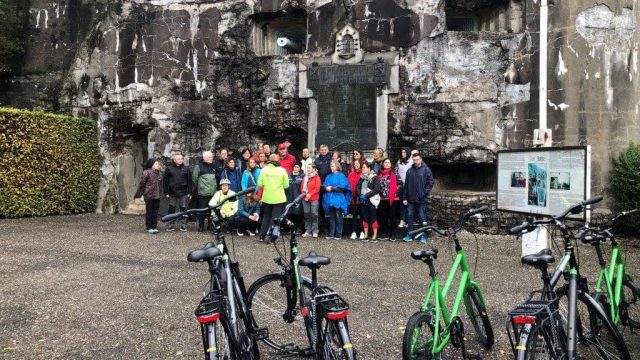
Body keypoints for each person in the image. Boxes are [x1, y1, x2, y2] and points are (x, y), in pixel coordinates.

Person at [402, 152, 434, 244]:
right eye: (414, 160)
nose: (416, 161)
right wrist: (404, 198)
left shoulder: (426, 170)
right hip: (410, 199)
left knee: (422, 217)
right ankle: (410, 235)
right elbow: (406, 186)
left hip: (421, 199)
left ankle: (423, 236)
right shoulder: (409, 171)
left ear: (421, 159)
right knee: (410, 217)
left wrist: (424, 192)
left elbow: (431, 182)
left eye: (417, 159)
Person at [257, 153, 289, 243]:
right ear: (277, 160)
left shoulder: (264, 170)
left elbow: (260, 184)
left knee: (266, 216)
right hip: (279, 198)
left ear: (269, 160)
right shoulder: (282, 170)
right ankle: (271, 236)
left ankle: (262, 236)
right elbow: (286, 185)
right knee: (275, 218)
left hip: (267, 197)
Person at [322, 160, 351, 240]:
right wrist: (325, 188)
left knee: (338, 217)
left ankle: (338, 234)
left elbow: (342, 188)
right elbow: (324, 186)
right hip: (330, 200)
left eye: (332, 166)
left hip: (338, 199)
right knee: (331, 217)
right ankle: (331, 233)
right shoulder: (328, 176)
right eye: (331, 166)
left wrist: (331, 188)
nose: (331, 167)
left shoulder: (341, 176)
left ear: (337, 166)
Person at [163, 154, 192, 232]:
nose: (180, 160)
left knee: (183, 209)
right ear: (174, 160)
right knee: (171, 209)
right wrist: (166, 192)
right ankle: (171, 224)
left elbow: (190, 181)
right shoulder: (169, 169)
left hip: (184, 192)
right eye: (178, 159)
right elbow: (165, 181)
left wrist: (190, 192)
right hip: (172, 192)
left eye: (181, 158)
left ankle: (183, 224)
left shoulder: (186, 169)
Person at [192, 151, 218, 232]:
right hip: (203, 193)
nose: (212, 158)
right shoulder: (198, 166)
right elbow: (194, 179)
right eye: (210, 157)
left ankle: (211, 226)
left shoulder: (214, 166)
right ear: (205, 158)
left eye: (212, 157)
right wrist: (201, 187)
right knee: (201, 211)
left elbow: (216, 178)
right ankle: (201, 226)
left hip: (213, 193)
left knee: (212, 211)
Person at [137, 158, 163, 234]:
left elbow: (160, 184)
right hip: (149, 195)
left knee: (155, 212)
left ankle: (154, 226)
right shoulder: (146, 172)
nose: (158, 165)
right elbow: (142, 184)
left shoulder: (159, 173)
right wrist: (144, 192)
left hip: (157, 195)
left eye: (158, 164)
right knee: (149, 211)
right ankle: (149, 227)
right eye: (156, 164)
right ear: (152, 165)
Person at [357, 162, 381, 242]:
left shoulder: (374, 177)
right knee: (365, 218)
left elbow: (377, 189)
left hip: (371, 200)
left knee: (373, 218)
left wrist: (366, 195)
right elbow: (357, 188)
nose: (362, 169)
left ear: (369, 168)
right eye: (362, 167)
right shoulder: (361, 178)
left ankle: (374, 235)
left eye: (364, 167)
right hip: (364, 201)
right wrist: (360, 195)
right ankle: (366, 234)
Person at [377, 158, 398, 241]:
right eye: (385, 162)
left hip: (392, 198)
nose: (387, 164)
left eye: (388, 162)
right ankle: (384, 233)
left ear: (390, 164)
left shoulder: (394, 173)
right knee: (383, 216)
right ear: (383, 164)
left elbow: (401, 184)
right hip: (382, 199)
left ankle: (393, 233)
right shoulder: (380, 174)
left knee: (392, 216)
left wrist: (395, 190)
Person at [301, 163, 321, 238]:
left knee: (314, 215)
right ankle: (307, 231)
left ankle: (315, 231)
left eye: (309, 168)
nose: (308, 169)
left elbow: (317, 188)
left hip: (314, 198)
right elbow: (302, 187)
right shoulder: (305, 177)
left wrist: (309, 194)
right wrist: (304, 195)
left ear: (313, 169)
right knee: (307, 215)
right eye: (307, 168)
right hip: (305, 198)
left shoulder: (317, 178)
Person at [395, 147, 412, 228]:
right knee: (402, 205)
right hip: (401, 186)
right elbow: (396, 172)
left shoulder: (412, 162)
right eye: (402, 152)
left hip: (410, 186)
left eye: (404, 152)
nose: (403, 154)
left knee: (410, 204)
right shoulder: (399, 162)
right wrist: (400, 183)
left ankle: (409, 221)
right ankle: (402, 220)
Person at [347, 159, 364, 240]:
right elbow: (348, 185)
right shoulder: (351, 174)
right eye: (355, 164)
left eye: (357, 163)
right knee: (354, 215)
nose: (356, 165)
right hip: (353, 198)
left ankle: (361, 231)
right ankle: (354, 232)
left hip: (361, 197)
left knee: (362, 215)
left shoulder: (363, 174)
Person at [286, 164, 305, 233]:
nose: (296, 168)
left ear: (300, 168)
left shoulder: (303, 176)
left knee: (297, 214)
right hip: (289, 197)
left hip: (298, 197)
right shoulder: (288, 175)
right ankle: (290, 229)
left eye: (298, 167)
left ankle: (298, 229)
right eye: (295, 167)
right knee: (289, 213)